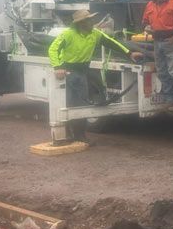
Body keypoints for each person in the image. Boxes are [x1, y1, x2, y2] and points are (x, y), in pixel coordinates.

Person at [48, 9, 143, 143]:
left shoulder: (95, 34)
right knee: (69, 104)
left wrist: (129, 53)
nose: (92, 22)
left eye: (91, 19)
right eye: (88, 20)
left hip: (82, 71)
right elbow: (53, 49)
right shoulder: (68, 34)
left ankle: (80, 136)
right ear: (80, 23)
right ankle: (68, 135)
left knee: (82, 105)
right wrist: (58, 67)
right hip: (68, 72)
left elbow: (111, 42)